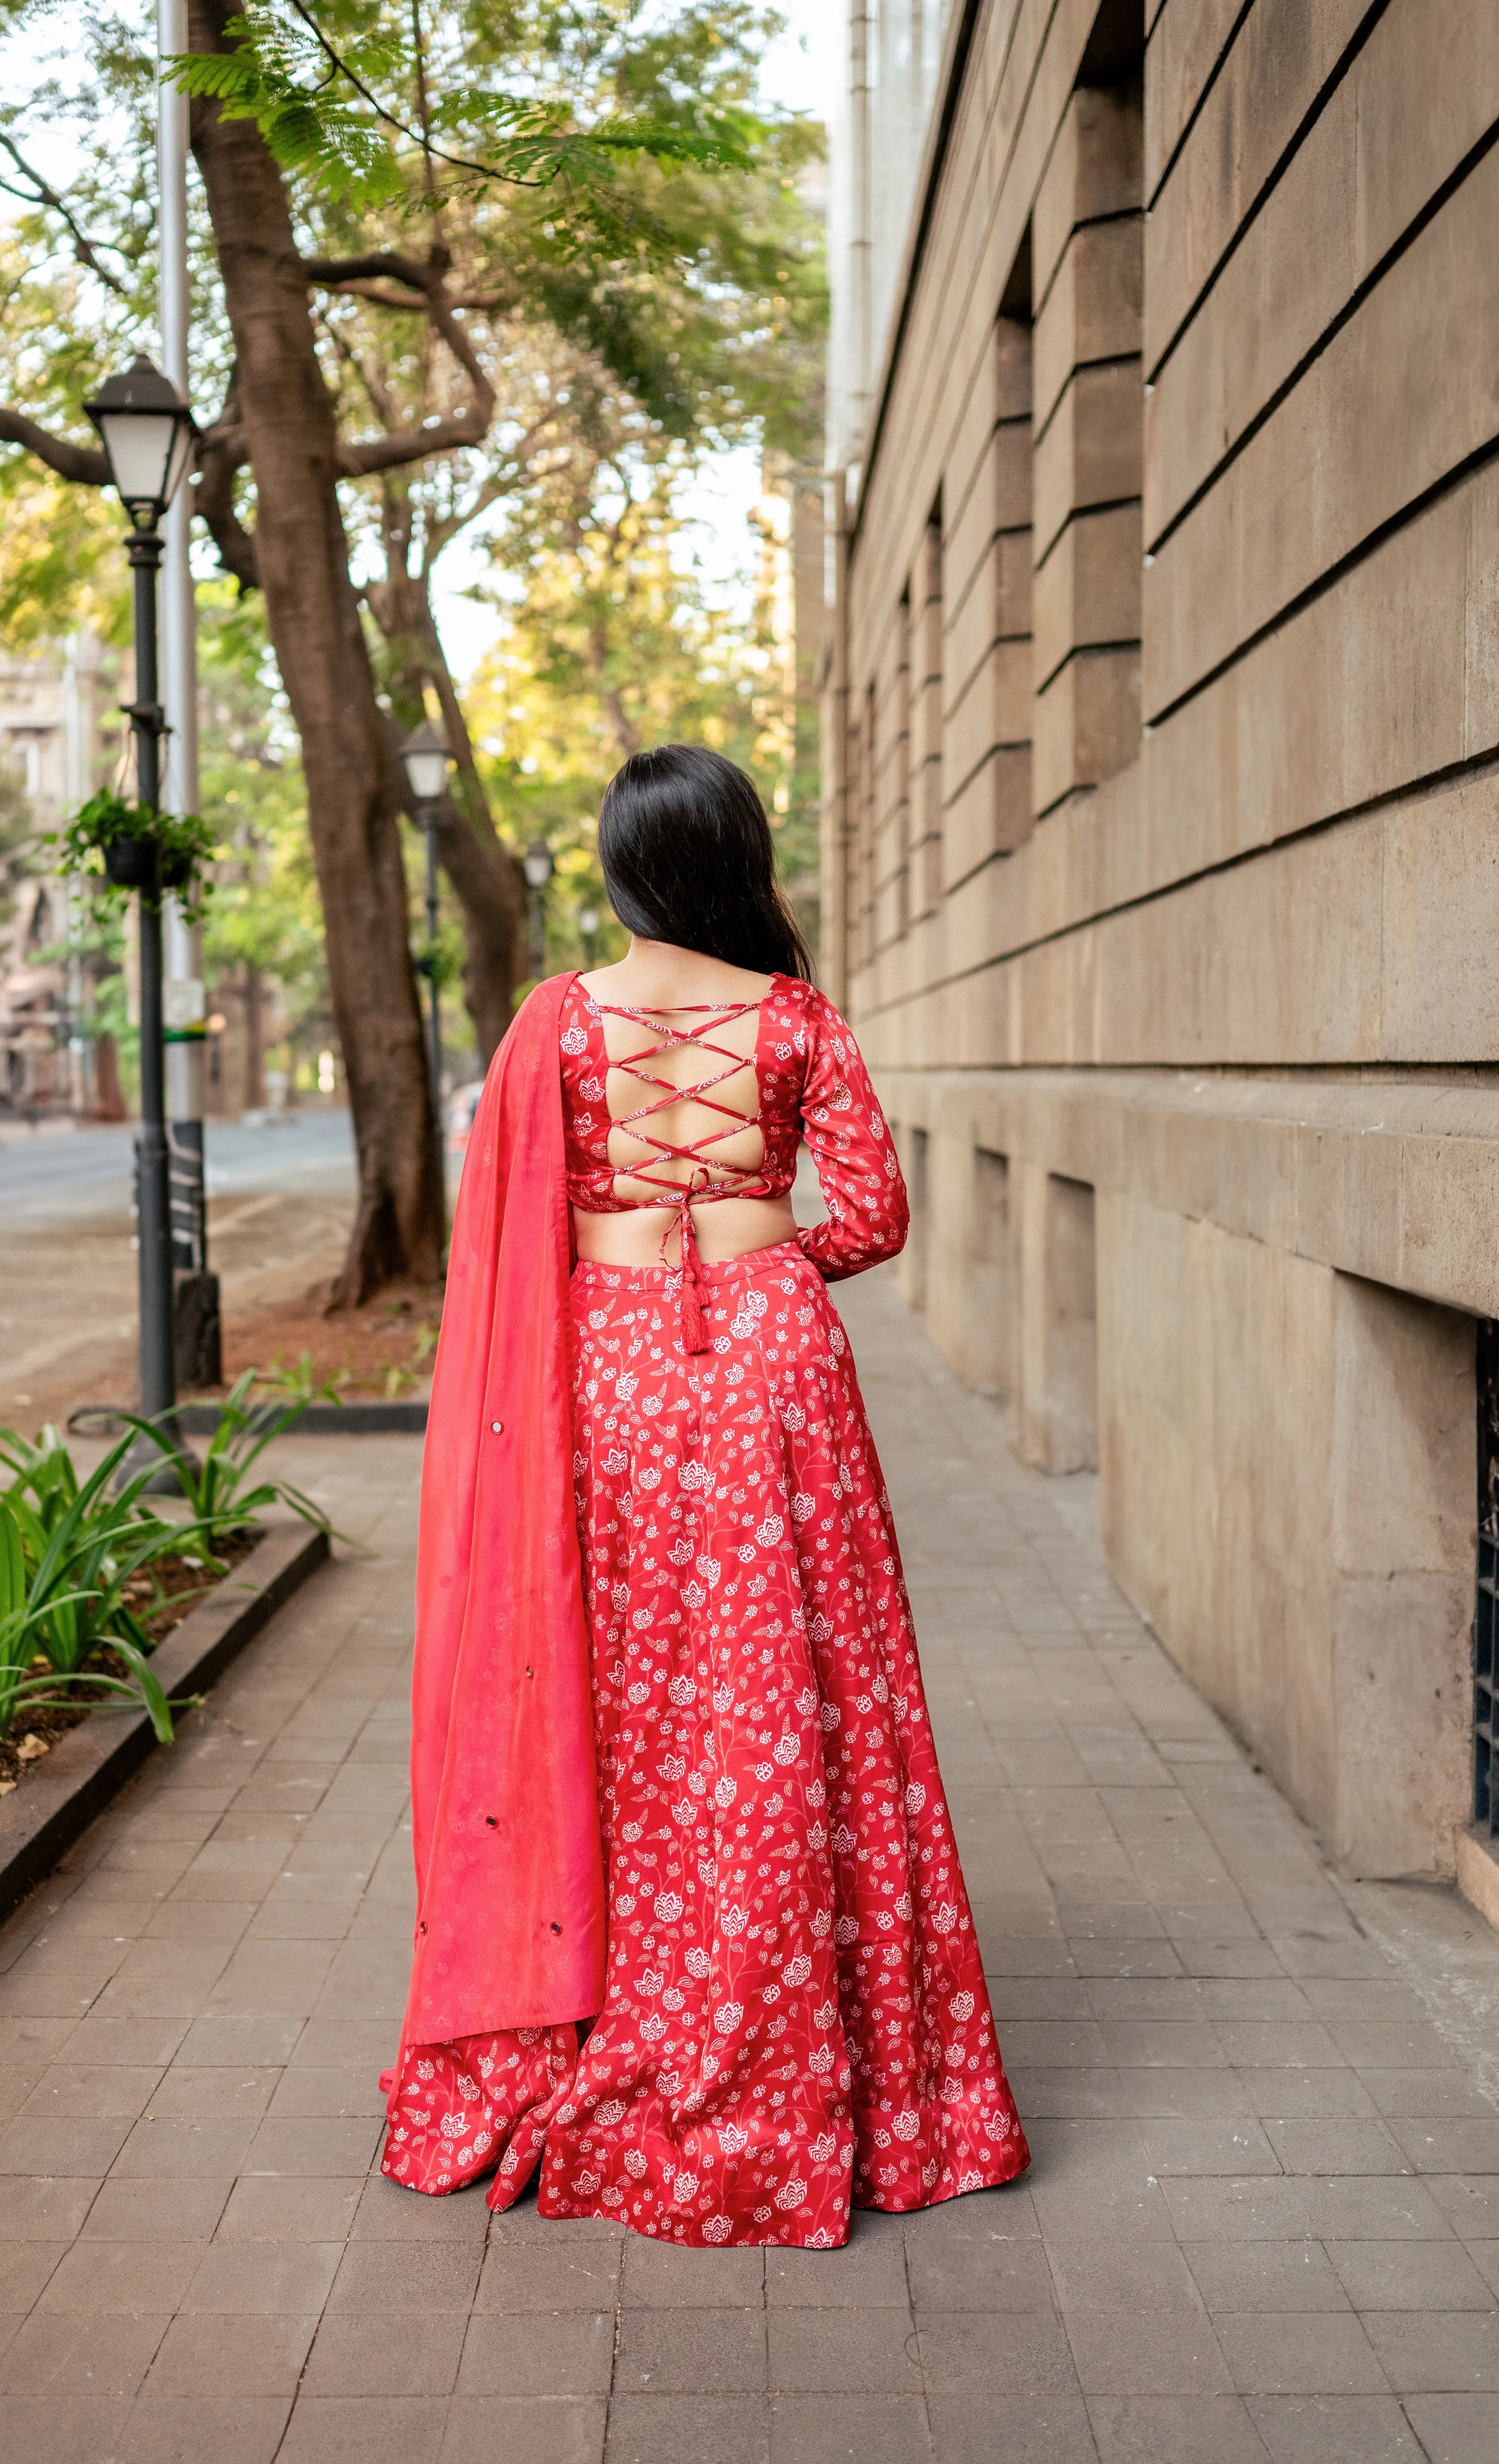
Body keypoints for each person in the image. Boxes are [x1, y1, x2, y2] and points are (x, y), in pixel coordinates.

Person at [380, 744, 1027, 2249]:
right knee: (793, 1682)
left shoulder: (555, 1026)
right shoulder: (799, 1019)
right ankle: (792, 2019)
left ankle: (606, 2000)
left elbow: (503, 1236)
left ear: (619, 864)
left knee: (614, 1681)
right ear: (735, 860)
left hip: (601, 1369)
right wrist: (761, 1269)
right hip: (771, 1363)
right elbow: (871, 1213)